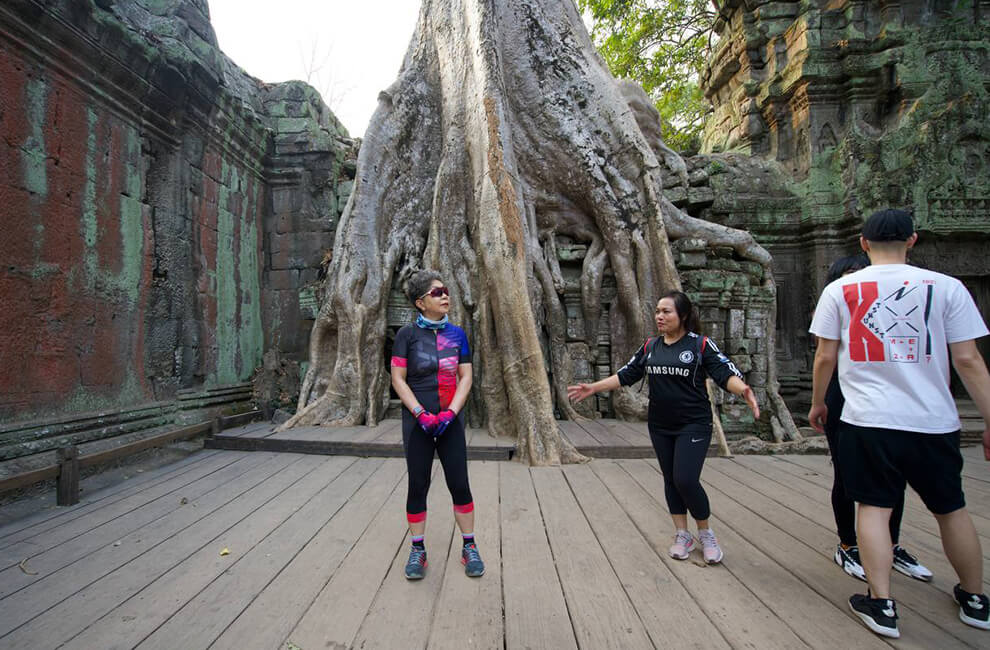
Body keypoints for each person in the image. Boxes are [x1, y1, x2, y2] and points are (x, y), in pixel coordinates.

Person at [809, 209, 990, 639]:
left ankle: (882, 602)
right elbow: (968, 359)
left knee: (873, 507)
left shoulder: (841, 289)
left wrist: (818, 404)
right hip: (933, 419)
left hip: (867, 418)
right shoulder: (947, 288)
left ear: (862, 243)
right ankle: (975, 598)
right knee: (951, 508)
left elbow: (825, 357)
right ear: (912, 240)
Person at [568, 290, 760, 564]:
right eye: (657, 311)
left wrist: (744, 391)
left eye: (666, 311)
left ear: (682, 315)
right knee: (671, 479)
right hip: (660, 425)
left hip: (694, 424)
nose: (659, 316)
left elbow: (724, 373)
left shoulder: (700, 345)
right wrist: (593, 387)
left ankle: (705, 533)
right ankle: (682, 534)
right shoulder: (651, 347)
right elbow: (627, 374)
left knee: (685, 479)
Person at [821, 254, 932, 583]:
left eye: (861, 275)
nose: (854, 282)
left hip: (888, 401)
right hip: (843, 399)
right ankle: (848, 544)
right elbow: (826, 357)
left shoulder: (889, 311)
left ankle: (891, 543)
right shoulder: (834, 308)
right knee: (845, 473)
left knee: (893, 475)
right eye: (848, 276)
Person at [390, 270, 484, 580]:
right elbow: (398, 380)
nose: (445, 295)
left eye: (446, 290)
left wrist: (450, 414)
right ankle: (418, 549)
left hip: (449, 421)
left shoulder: (457, 334)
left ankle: (469, 546)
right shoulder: (406, 336)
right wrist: (420, 413)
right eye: (437, 292)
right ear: (420, 302)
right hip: (418, 421)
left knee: (460, 482)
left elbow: (466, 376)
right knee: (418, 484)